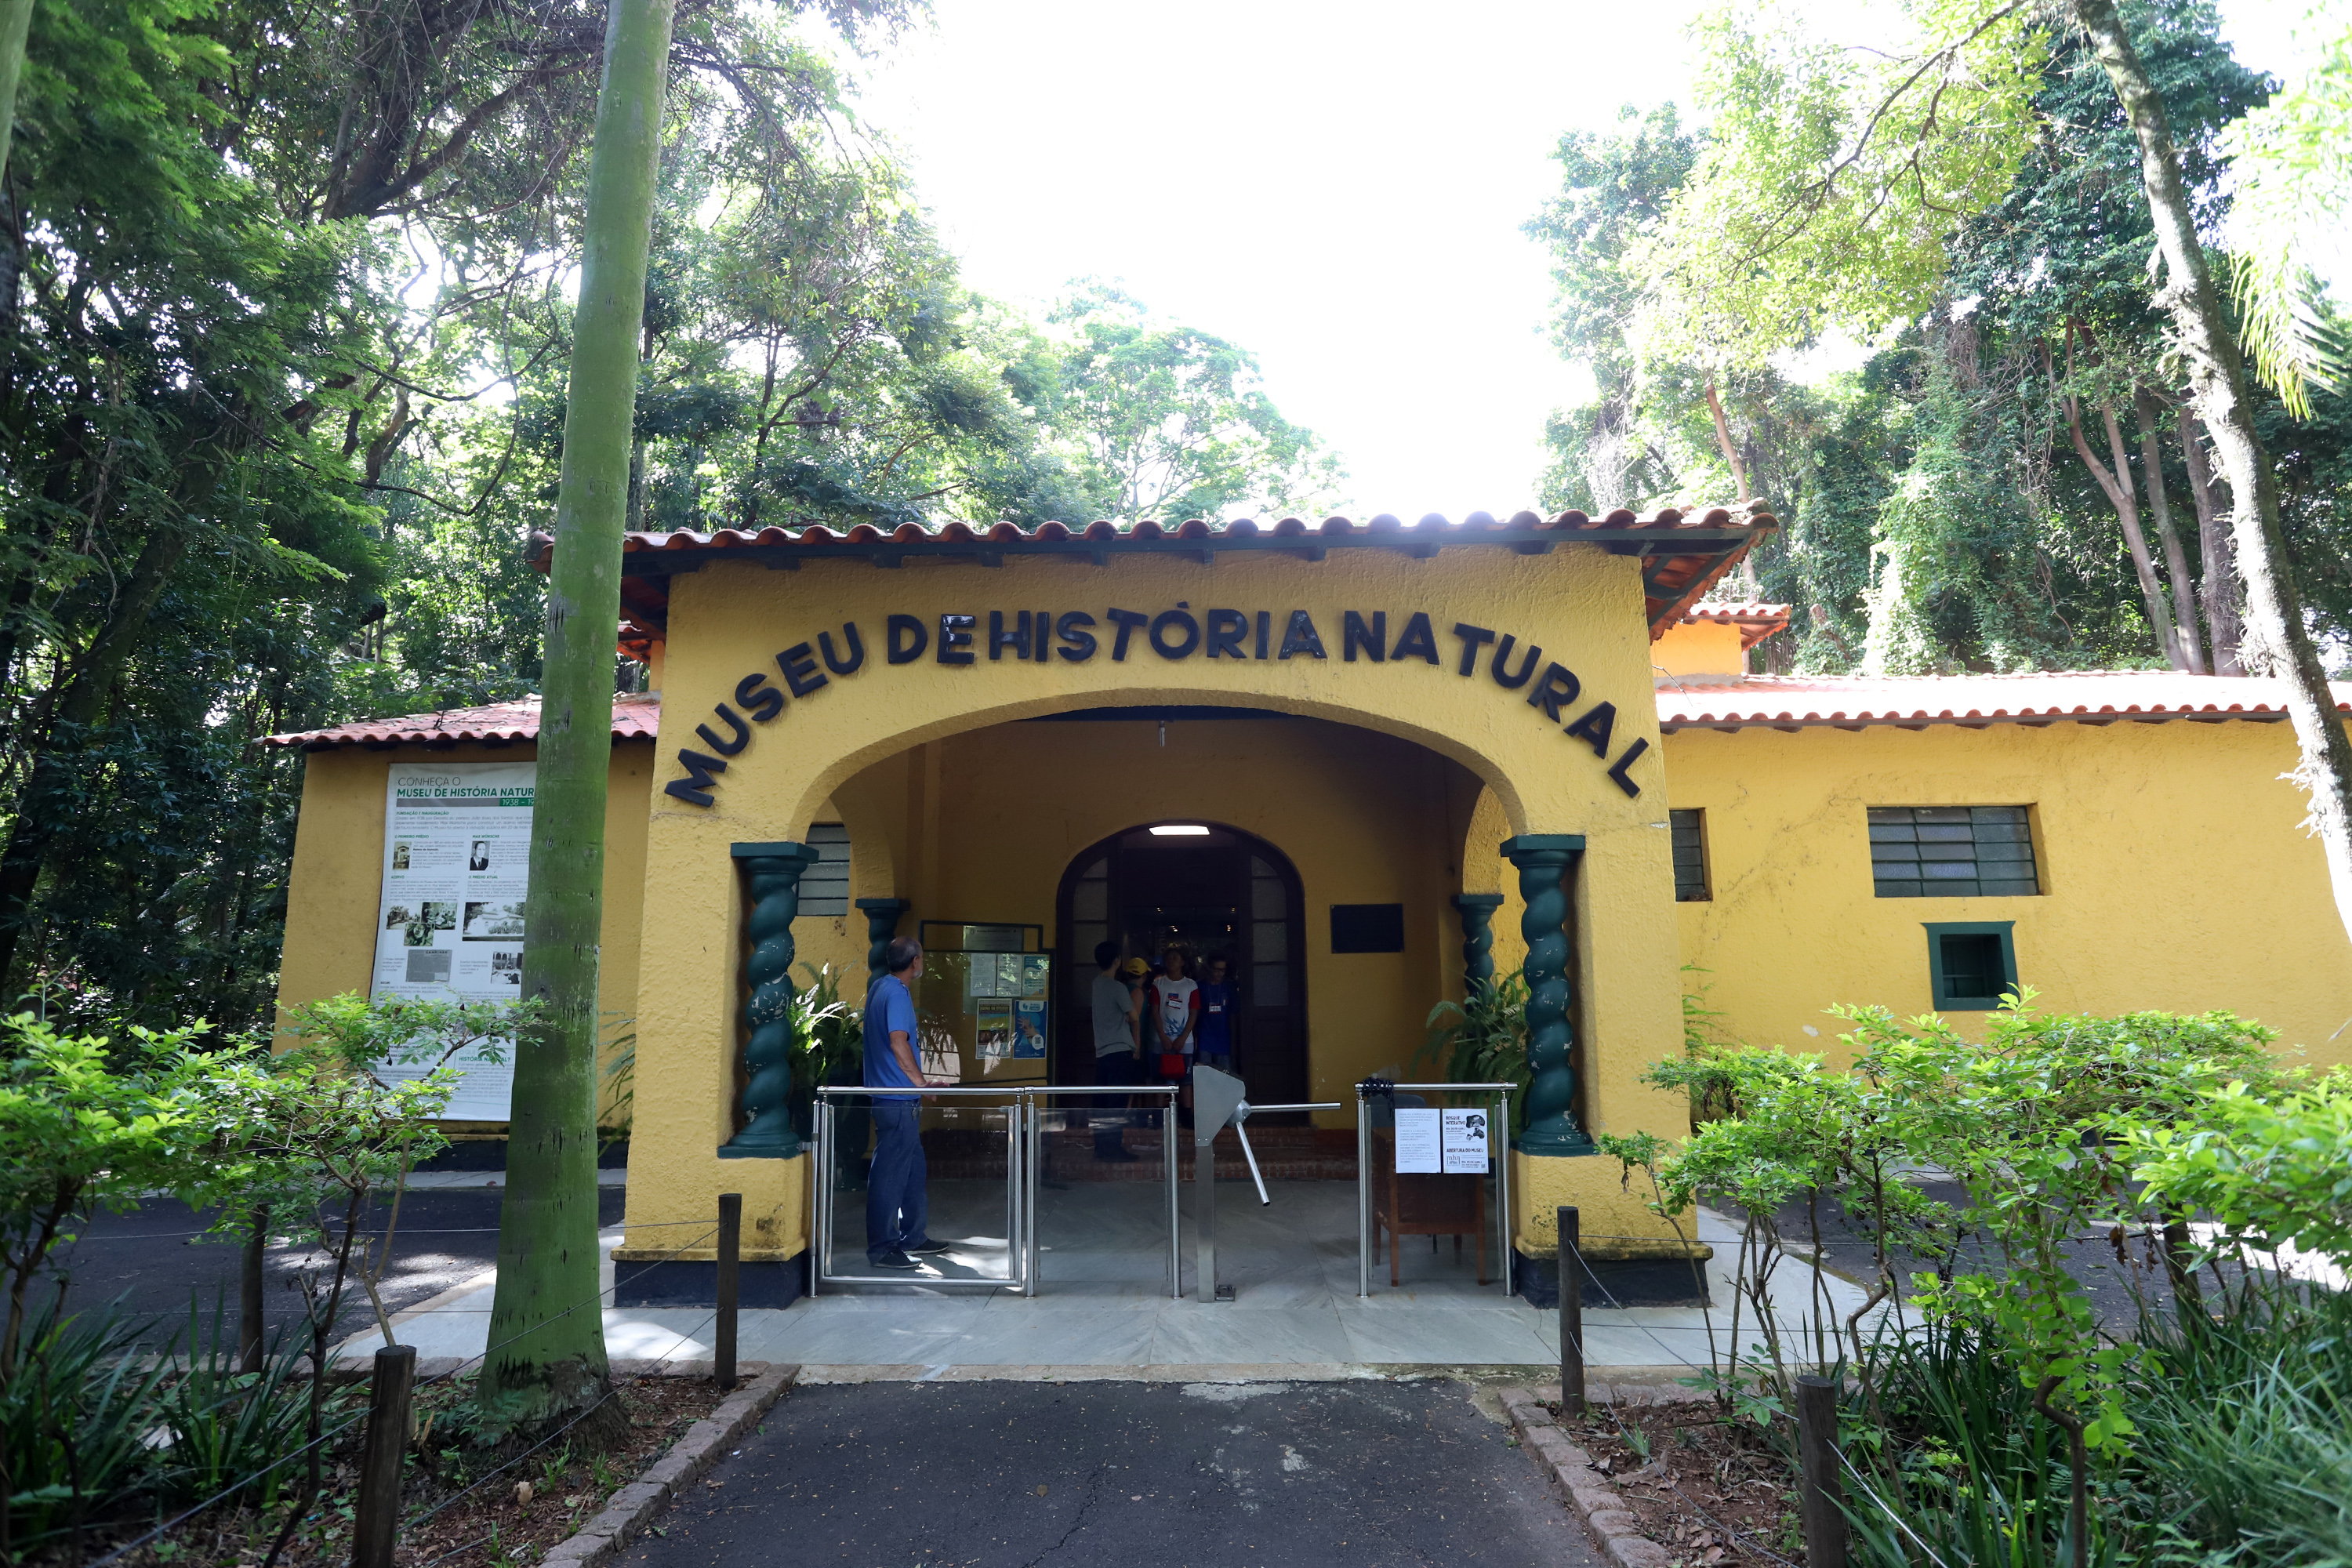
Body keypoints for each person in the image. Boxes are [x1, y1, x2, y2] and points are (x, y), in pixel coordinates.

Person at [863, 937, 950, 1269]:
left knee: (914, 1171)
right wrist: (921, 1083)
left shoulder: (879, 988)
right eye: (922, 958)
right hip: (898, 1101)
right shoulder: (898, 994)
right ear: (915, 962)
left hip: (895, 1100)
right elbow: (898, 1042)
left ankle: (913, 1235)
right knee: (889, 1176)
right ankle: (883, 1247)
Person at [1091, 941, 1142, 1161]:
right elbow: (1134, 1017)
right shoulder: (1117, 988)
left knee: (1103, 1103)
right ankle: (1113, 1148)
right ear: (1117, 961)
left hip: (1102, 1051)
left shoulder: (1096, 984)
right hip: (1120, 1051)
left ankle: (1101, 1147)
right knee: (1117, 1102)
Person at [1147, 946, 1200, 1094]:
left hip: (1185, 1041)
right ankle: (1159, 1114)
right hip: (1160, 1040)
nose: (1171, 961)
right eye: (1168, 958)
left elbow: (1194, 1013)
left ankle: (1185, 1115)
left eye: (1175, 957)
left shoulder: (1191, 985)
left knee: (1186, 1081)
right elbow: (1154, 1011)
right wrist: (1163, 1037)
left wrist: (1183, 1038)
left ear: (1183, 961)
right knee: (1159, 1081)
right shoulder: (1158, 984)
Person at [1193, 953, 1235, 1080]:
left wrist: (1234, 1041)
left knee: (1226, 1077)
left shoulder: (1230, 987)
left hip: (1224, 1038)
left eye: (1222, 970)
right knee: (1204, 1077)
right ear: (1210, 968)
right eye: (1216, 969)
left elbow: (1233, 1015)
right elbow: (1195, 1014)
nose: (1219, 973)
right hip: (1204, 1038)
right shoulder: (1200, 987)